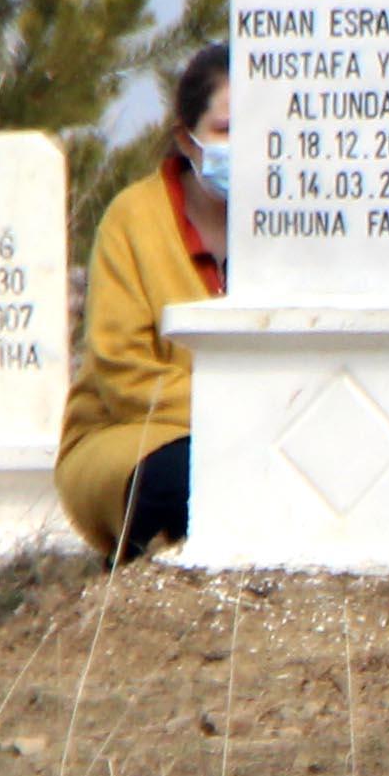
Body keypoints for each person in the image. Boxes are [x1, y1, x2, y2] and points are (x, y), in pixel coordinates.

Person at [58, 44, 232, 560]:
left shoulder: (290, 229)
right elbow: (124, 373)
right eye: (227, 130)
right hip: (135, 433)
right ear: (186, 138)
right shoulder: (132, 219)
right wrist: (240, 409)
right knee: (190, 477)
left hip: (261, 434)